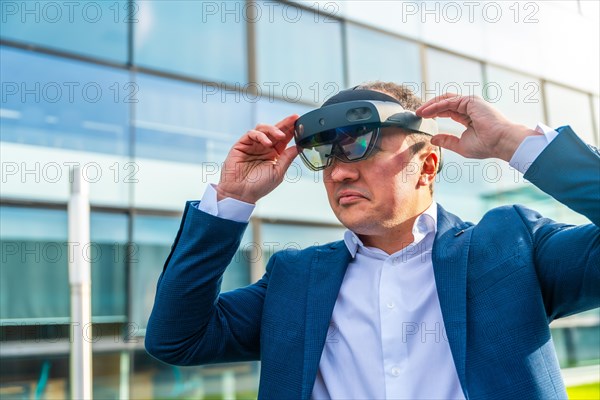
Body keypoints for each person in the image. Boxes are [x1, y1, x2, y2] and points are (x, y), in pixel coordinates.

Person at [145, 82, 599, 400]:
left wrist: (512, 143)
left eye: (361, 145)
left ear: (425, 166)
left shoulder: (511, 247)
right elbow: (177, 339)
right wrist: (232, 200)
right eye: (326, 154)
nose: (339, 170)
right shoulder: (295, 279)